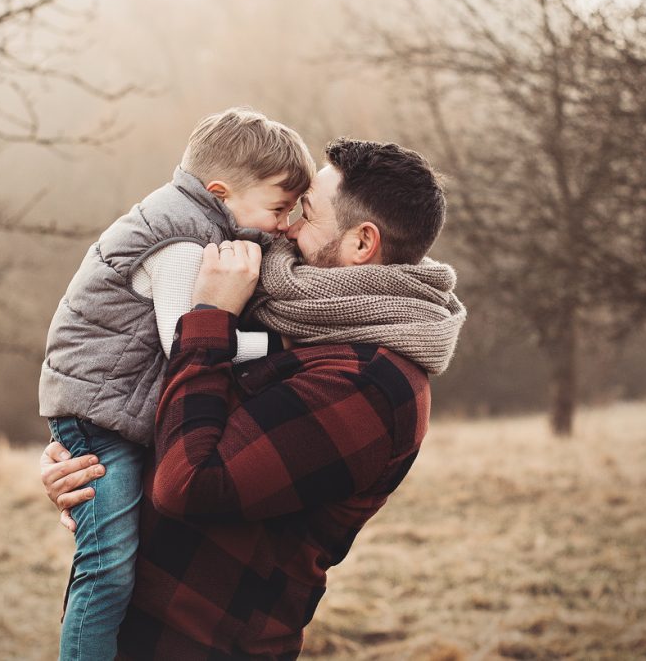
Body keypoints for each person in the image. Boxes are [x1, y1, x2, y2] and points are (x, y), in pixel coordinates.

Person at [42, 138, 467, 658]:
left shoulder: (370, 384)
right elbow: (187, 418)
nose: (285, 225)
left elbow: (188, 482)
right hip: (132, 630)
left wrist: (211, 317)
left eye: (305, 213)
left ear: (362, 244)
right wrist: (93, 459)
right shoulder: (296, 318)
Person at [38, 107, 315, 660]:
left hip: (114, 408)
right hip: (100, 419)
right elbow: (188, 344)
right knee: (108, 569)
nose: (285, 224)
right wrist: (283, 350)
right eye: (279, 208)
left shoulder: (199, 222)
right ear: (221, 192)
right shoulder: (179, 245)